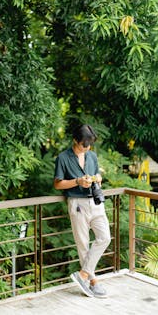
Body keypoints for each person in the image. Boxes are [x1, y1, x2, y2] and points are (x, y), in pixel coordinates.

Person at [53, 124, 111, 298]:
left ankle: (83, 275)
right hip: (77, 204)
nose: (86, 148)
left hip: (95, 202)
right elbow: (57, 184)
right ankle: (93, 282)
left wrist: (97, 179)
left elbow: (95, 177)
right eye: (83, 145)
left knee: (105, 237)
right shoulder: (63, 158)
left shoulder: (92, 156)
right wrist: (77, 181)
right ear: (75, 140)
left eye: (89, 145)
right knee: (83, 244)